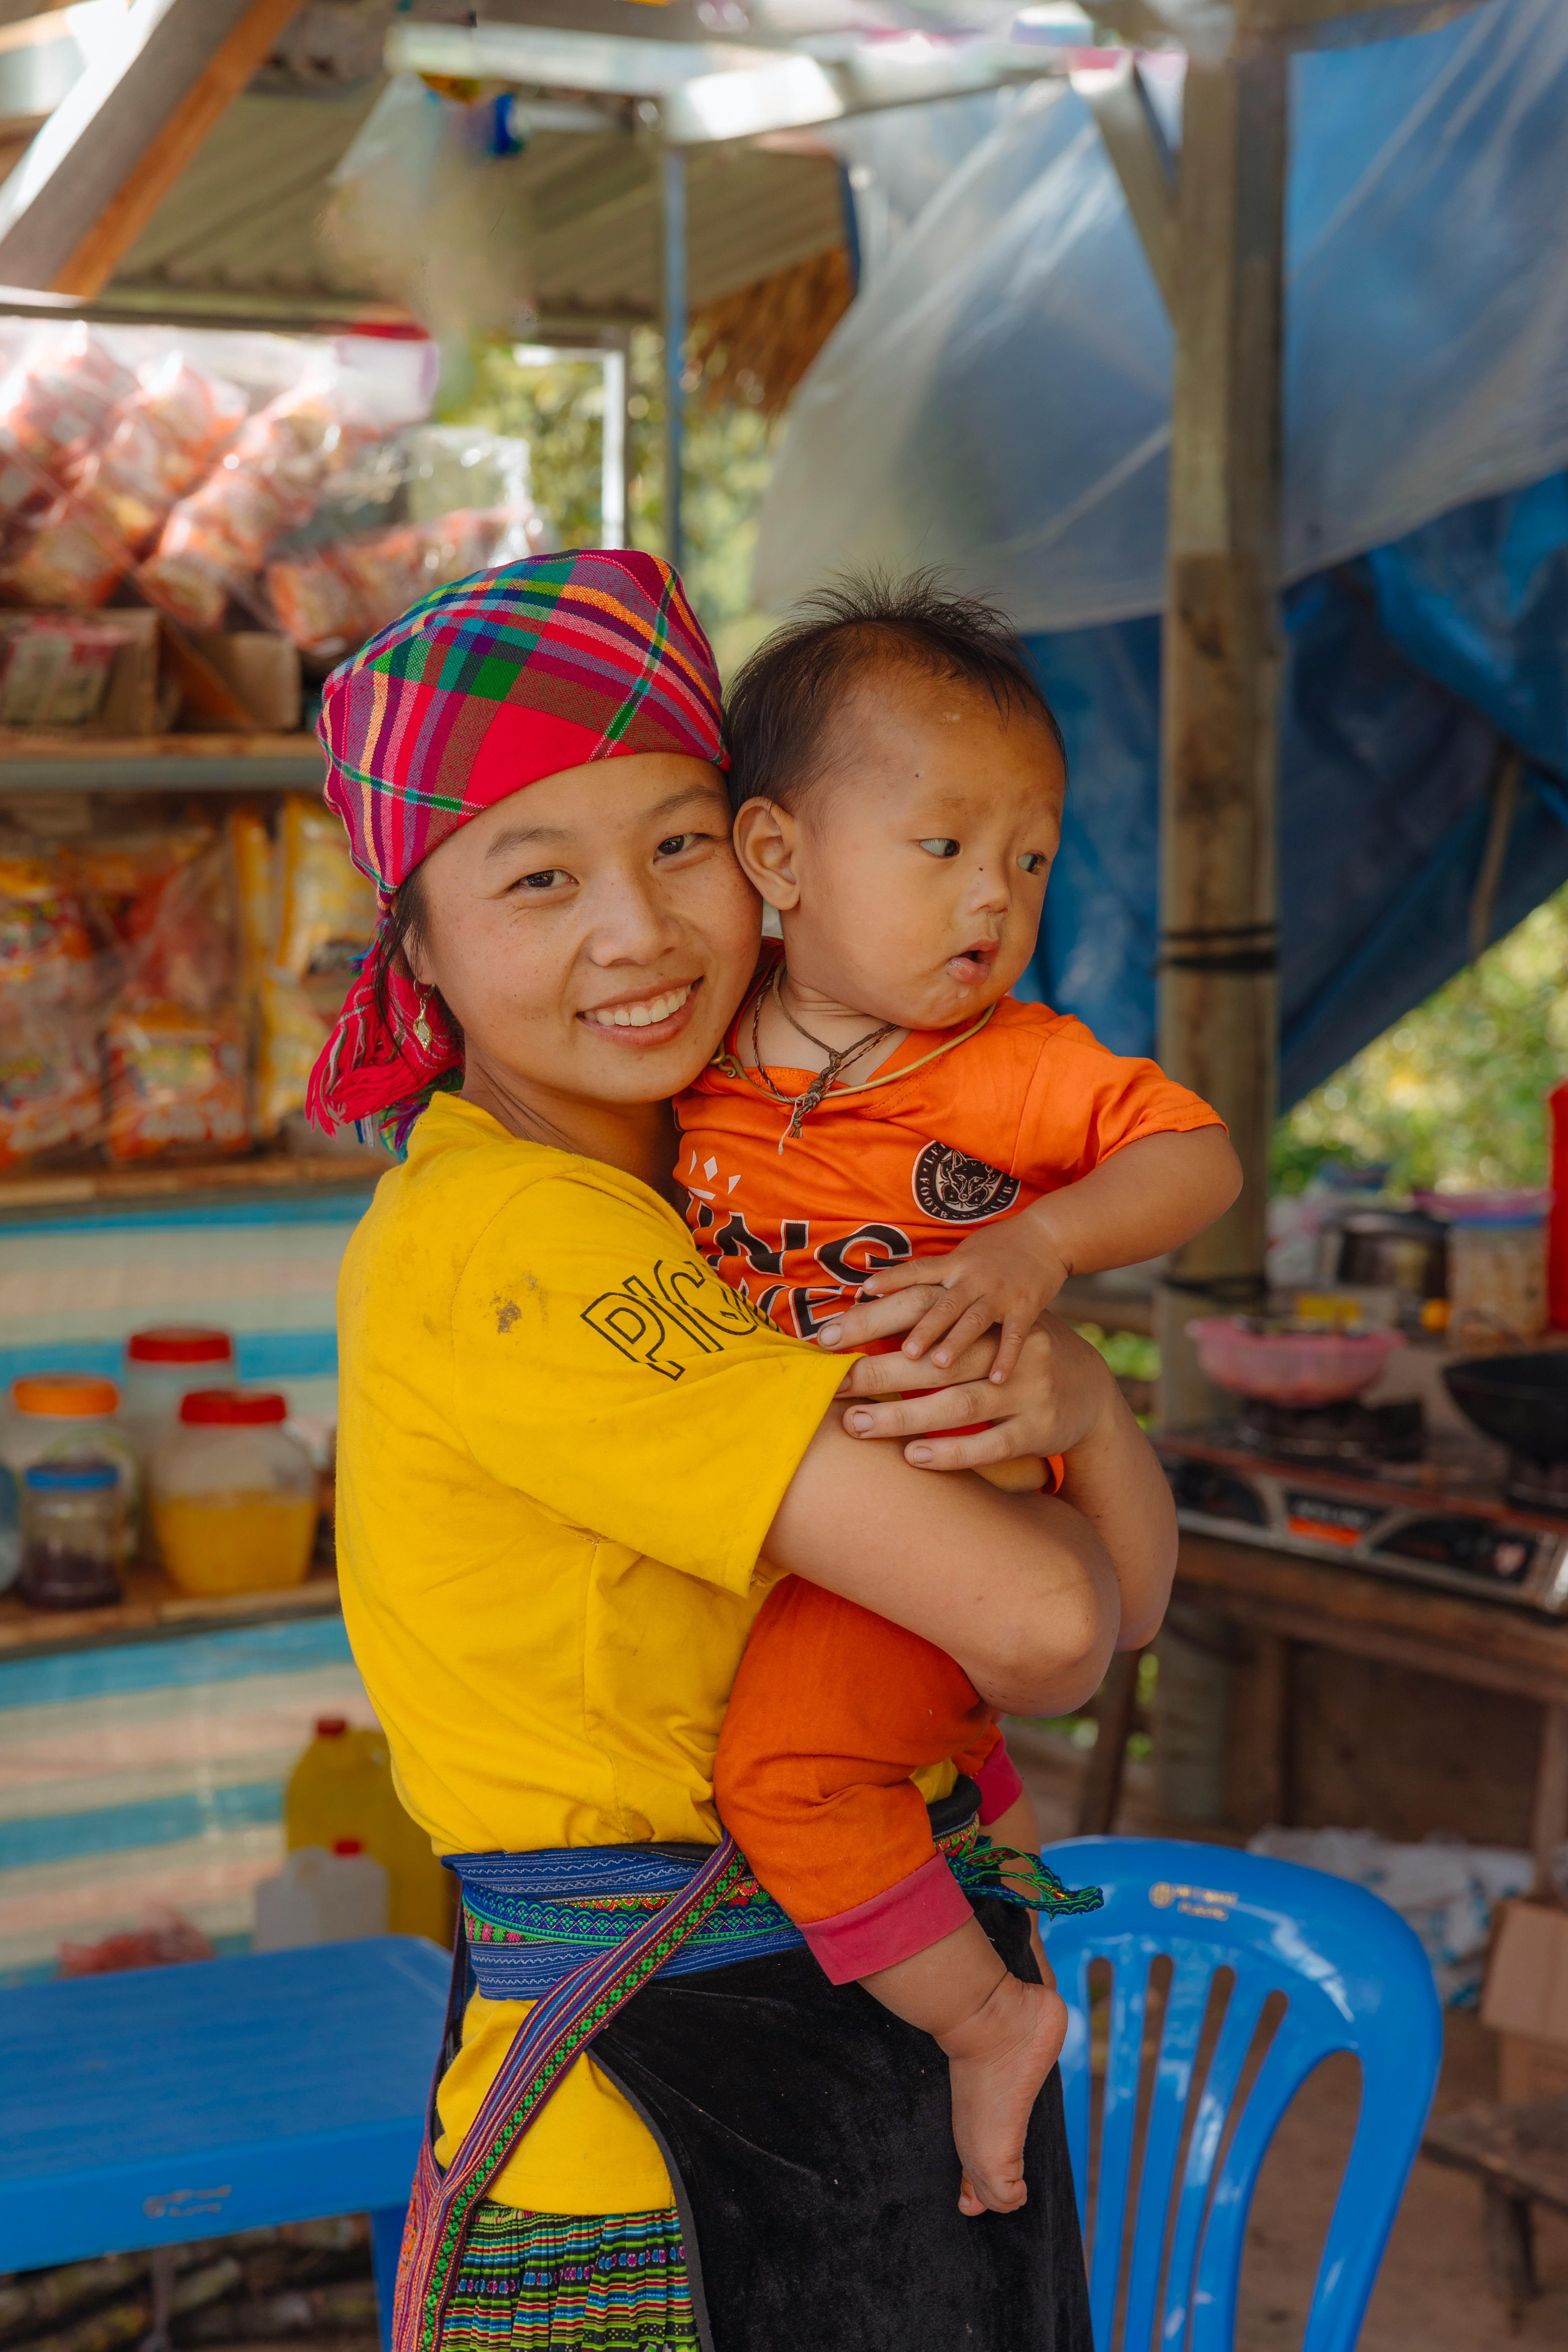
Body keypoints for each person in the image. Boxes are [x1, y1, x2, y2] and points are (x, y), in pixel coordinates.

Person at [308, 550, 1154, 2352]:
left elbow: (1095, 1602)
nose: (638, 931)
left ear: (772, 853)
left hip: (859, 2056)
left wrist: (1073, 1409)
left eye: (678, 844)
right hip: (651, 2168)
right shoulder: (524, 1244)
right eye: (538, 880)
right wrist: (1074, 1432)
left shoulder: (725, 1192)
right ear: (421, 946)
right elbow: (1051, 1625)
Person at [680, 575, 1238, 2212]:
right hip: (823, 1529)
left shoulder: (1006, 1063)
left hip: (949, 1521)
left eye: (1030, 859)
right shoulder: (706, 1053)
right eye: (943, 849)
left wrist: (1039, 1253)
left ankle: (992, 2022)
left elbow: (1198, 1156)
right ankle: (967, 1813)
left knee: (781, 1772)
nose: (993, 898)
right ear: (776, 858)